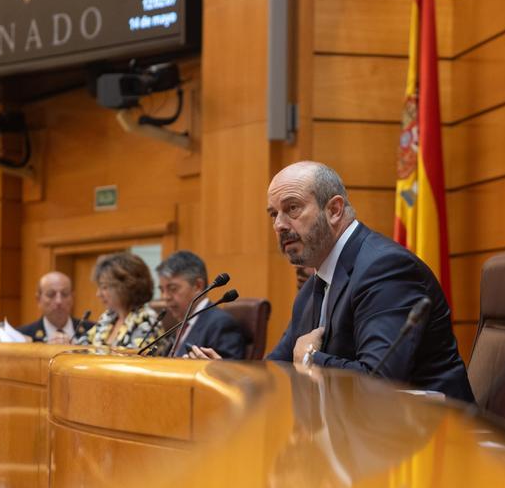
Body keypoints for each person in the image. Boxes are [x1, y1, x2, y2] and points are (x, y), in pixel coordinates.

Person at [187, 161, 475, 402]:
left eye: (292, 208)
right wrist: (228, 375)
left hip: (434, 442)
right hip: (364, 442)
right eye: (274, 214)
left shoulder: (385, 269)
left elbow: (379, 381)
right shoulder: (316, 284)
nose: (279, 225)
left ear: (334, 210)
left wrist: (311, 358)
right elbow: (279, 366)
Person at [156, 250, 247, 359]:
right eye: (162, 290)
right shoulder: (182, 324)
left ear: (198, 286)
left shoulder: (220, 324)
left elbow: (230, 373)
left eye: (172, 289)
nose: (165, 297)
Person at [73, 252, 167, 353]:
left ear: (126, 286)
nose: (98, 294)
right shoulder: (108, 317)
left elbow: (135, 362)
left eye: (104, 287)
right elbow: (80, 349)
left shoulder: (146, 319)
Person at [18, 272, 92, 344]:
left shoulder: (92, 331)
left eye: (65, 294)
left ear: (72, 297)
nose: (58, 301)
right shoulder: (21, 336)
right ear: (38, 299)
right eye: (51, 294)